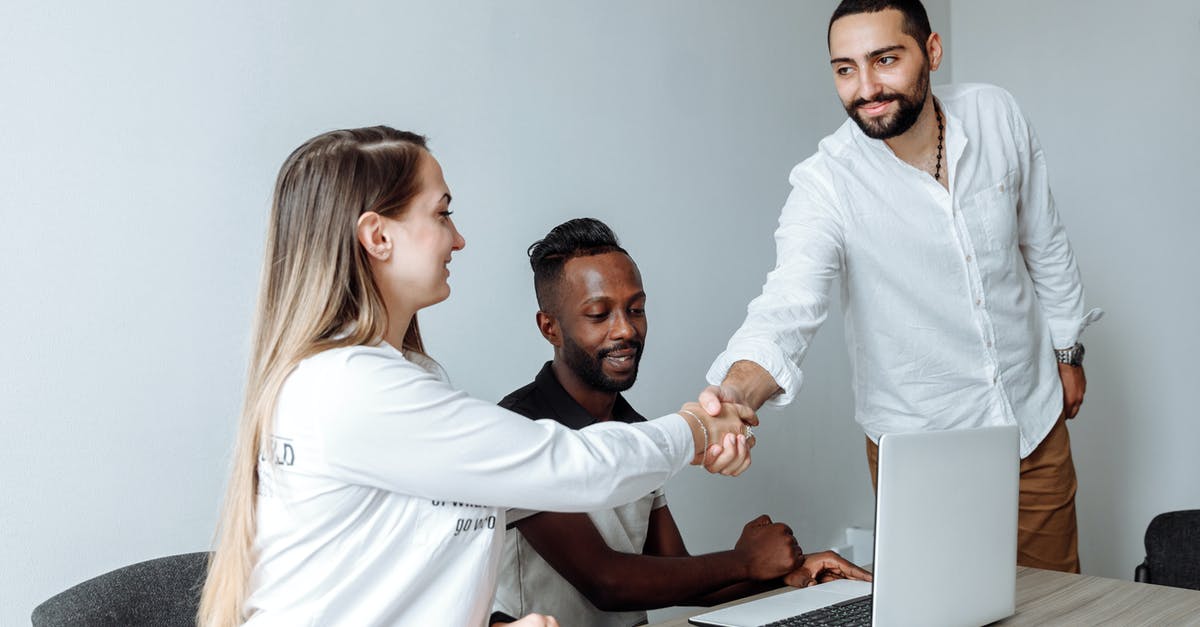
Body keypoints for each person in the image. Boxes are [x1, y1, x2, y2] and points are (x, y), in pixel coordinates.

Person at [197, 127, 758, 627]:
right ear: (378, 236)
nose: (458, 238)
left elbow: (391, 566)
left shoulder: (396, 380)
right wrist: (697, 430)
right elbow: (573, 469)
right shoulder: (349, 388)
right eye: (442, 213)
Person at [699, 0, 1102, 574]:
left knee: (1061, 605)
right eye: (845, 69)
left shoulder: (995, 114)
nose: (866, 87)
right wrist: (735, 395)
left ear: (931, 51)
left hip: (1032, 425)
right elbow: (787, 306)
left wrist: (1068, 353)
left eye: (884, 60)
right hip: (921, 449)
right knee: (943, 608)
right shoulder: (826, 183)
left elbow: (1046, 242)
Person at [491, 218, 870, 626]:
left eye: (636, 309)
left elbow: (677, 572)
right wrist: (744, 561)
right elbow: (607, 582)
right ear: (551, 328)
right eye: (599, 314)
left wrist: (789, 571)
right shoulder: (519, 430)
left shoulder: (640, 431)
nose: (626, 330)